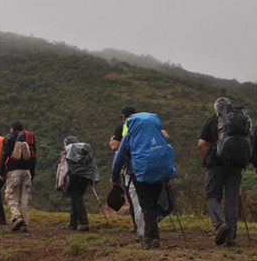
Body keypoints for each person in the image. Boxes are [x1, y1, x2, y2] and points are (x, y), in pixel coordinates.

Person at [112, 112, 175, 249]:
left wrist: (114, 176)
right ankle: (152, 234)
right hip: (159, 172)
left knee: (146, 205)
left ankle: (151, 237)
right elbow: (168, 151)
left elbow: (119, 157)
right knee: (152, 203)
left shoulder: (130, 136)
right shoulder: (159, 134)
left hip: (141, 175)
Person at [198, 97, 249, 246]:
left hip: (216, 165)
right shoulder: (241, 121)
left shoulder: (212, 121)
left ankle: (220, 224)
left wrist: (207, 158)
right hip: (237, 165)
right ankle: (231, 238)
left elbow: (201, 144)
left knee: (211, 196)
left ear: (216, 108)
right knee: (231, 199)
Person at [0, 121, 33, 232]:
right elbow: (34, 156)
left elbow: (3, 155)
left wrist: (0, 171)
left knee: (11, 195)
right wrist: (32, 172)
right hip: (27, 171)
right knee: (24, 198)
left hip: (14, 171)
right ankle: (25, 223)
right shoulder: (29, 138)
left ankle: (17, 218)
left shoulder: (9, 138)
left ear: (12, 128)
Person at [109, 106, 139, 233]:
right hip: (147, 164)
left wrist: (111, 141)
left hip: (130, 167)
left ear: (123, 117)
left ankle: (138, 226)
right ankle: (150, 224)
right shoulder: (142, 126)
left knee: (133, 198)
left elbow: (115, 147)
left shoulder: (122, 127)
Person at [64, 136, 99, 231]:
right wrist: (94, 179)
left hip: (74, 177)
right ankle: (73, 223)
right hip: (86, 178)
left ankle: (84, 222)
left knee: (77, 199)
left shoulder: (68, 151)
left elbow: (64, 167)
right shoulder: (86, 152)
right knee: (76, 199)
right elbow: (93, 165)